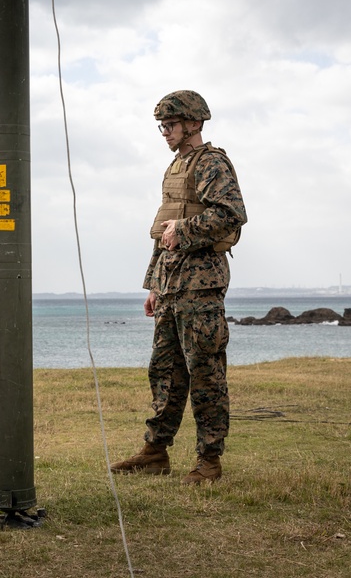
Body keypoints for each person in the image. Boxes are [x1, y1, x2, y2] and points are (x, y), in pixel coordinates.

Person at [111, 90, 247, 485]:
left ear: (194, 124)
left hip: (201, 288)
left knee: (205, 376)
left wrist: (184, 230)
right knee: (165, 373)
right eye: (162, 126)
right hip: (171, 288)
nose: (165, 132)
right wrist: (154, 285)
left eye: (170, 125)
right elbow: (163, 232)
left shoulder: (211, 163)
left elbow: (232, 214)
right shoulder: (176, 167)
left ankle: (209, 461)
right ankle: (155, 451)